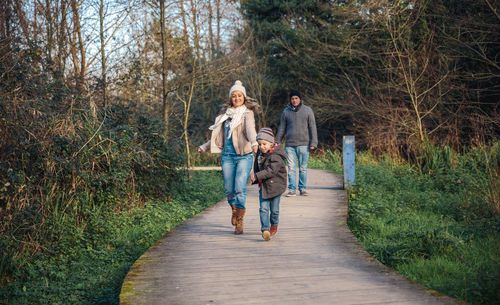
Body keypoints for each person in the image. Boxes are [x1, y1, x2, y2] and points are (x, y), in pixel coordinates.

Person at [199, 80, 259, 234]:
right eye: (234, 96)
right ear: (230, 98)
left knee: (239, 187)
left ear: (244, 97)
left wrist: (254, 142)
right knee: (229, 190)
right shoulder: (223, 116)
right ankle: (234, 208)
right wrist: (204, 147)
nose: (237, 98)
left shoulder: (247, 114)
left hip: (244, 156)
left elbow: (251, 130)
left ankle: (240, 220)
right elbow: (216, 135)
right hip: (227, 156)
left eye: (239, 95)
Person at [276, 89, 318, 197]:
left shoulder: (308, 110)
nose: (294, 100)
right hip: (290, 145)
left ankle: (302, 188)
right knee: (291, 168)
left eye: (296, 98)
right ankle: (292, 189)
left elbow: (312, 127)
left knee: (303, 168)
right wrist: (277, 142)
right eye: (292, 98)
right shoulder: (286, 112)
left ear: (300, 99)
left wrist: (314, 142)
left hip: (304, 144)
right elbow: (281, 128)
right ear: (290, 100)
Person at [251, 127, 287, 241]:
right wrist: (255, 177)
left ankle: (274, 225)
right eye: (260, 144)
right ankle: (265, 229)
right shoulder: (260, 154)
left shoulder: (276, 156)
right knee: (263, 208)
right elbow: (257, 167)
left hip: (276, 186)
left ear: (272, 143)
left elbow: (272, 171)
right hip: (264, 186)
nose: (262, 147)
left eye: (264, 144)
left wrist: (257, 176)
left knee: (274, 210)